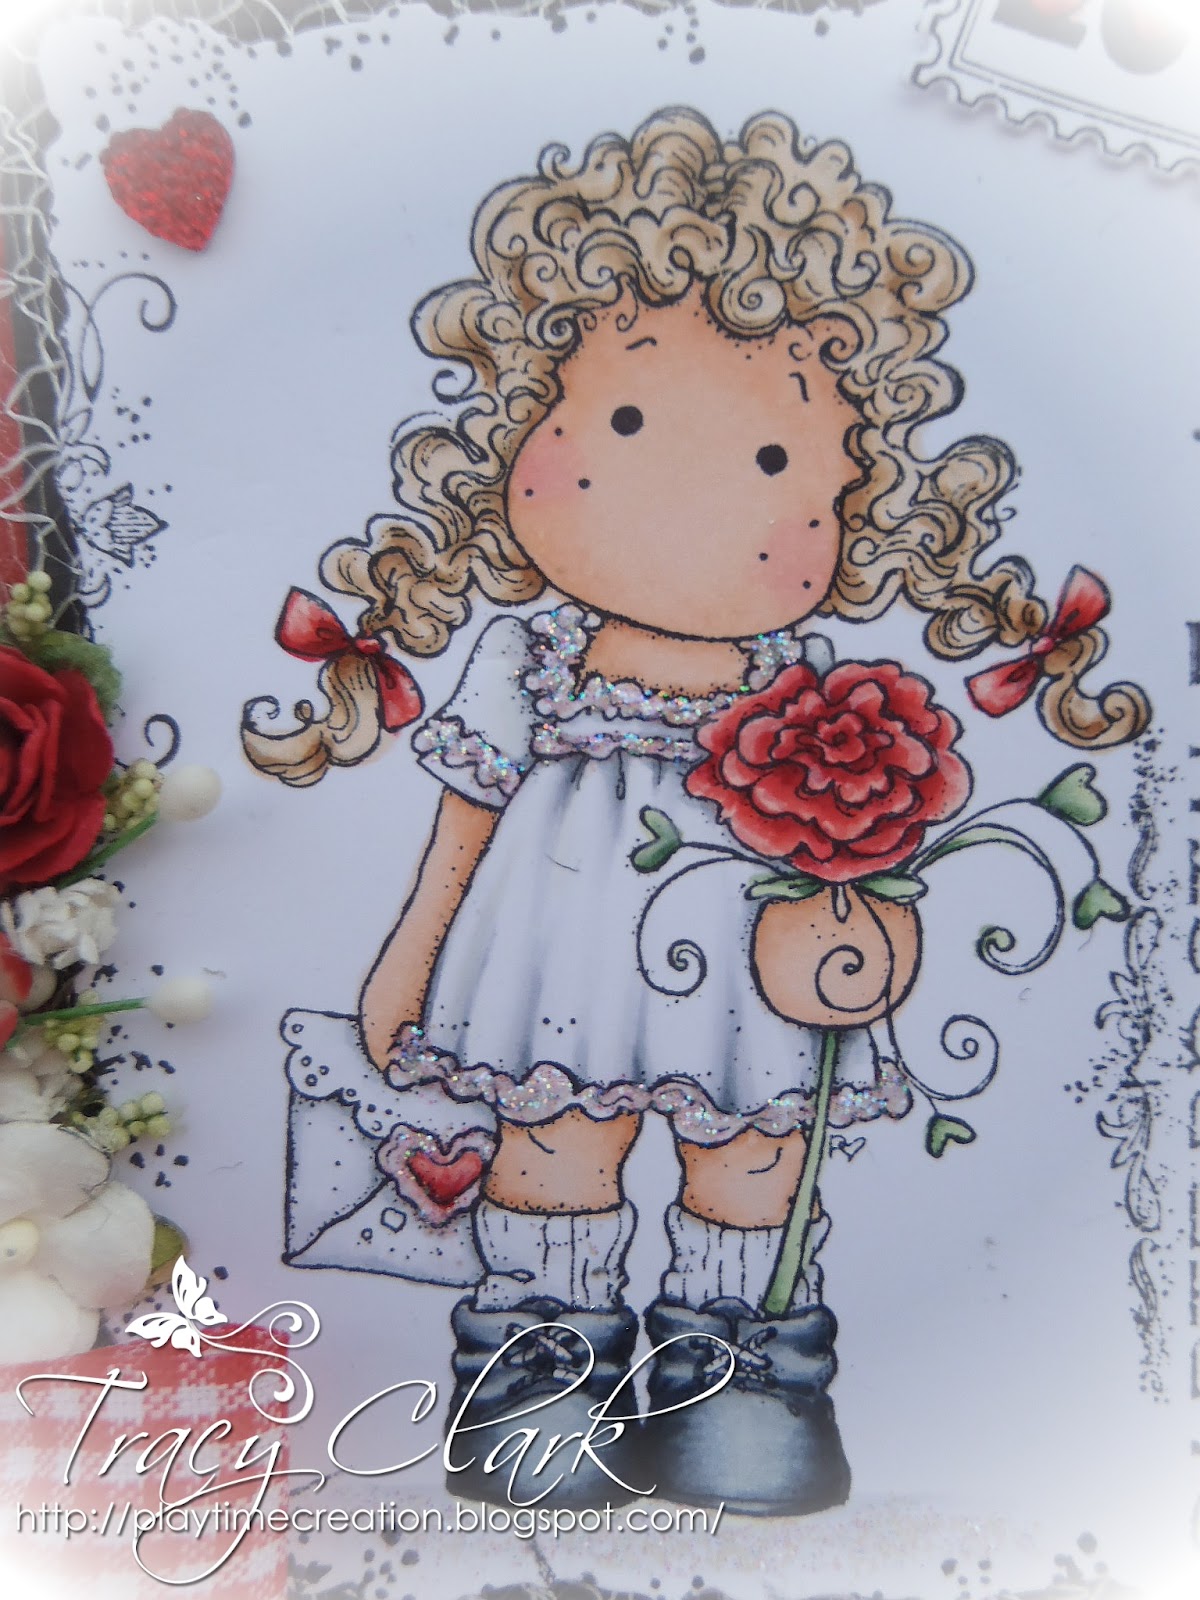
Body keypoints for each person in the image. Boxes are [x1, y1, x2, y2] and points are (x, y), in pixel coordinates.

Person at [245, 108, 1147, 1515]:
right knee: (552, 1150)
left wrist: (866, 948)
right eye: (618, 423)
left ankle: (736, 1386)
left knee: (755, 1159)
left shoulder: (812, 691)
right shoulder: (530, 659)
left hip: (744, 983)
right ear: (520, 423)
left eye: (776, 464)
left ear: (861, 502)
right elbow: (464, 823)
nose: (683, 489)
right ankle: (543, 1385)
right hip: (548, 971)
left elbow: (862, 856)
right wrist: (409, 959)